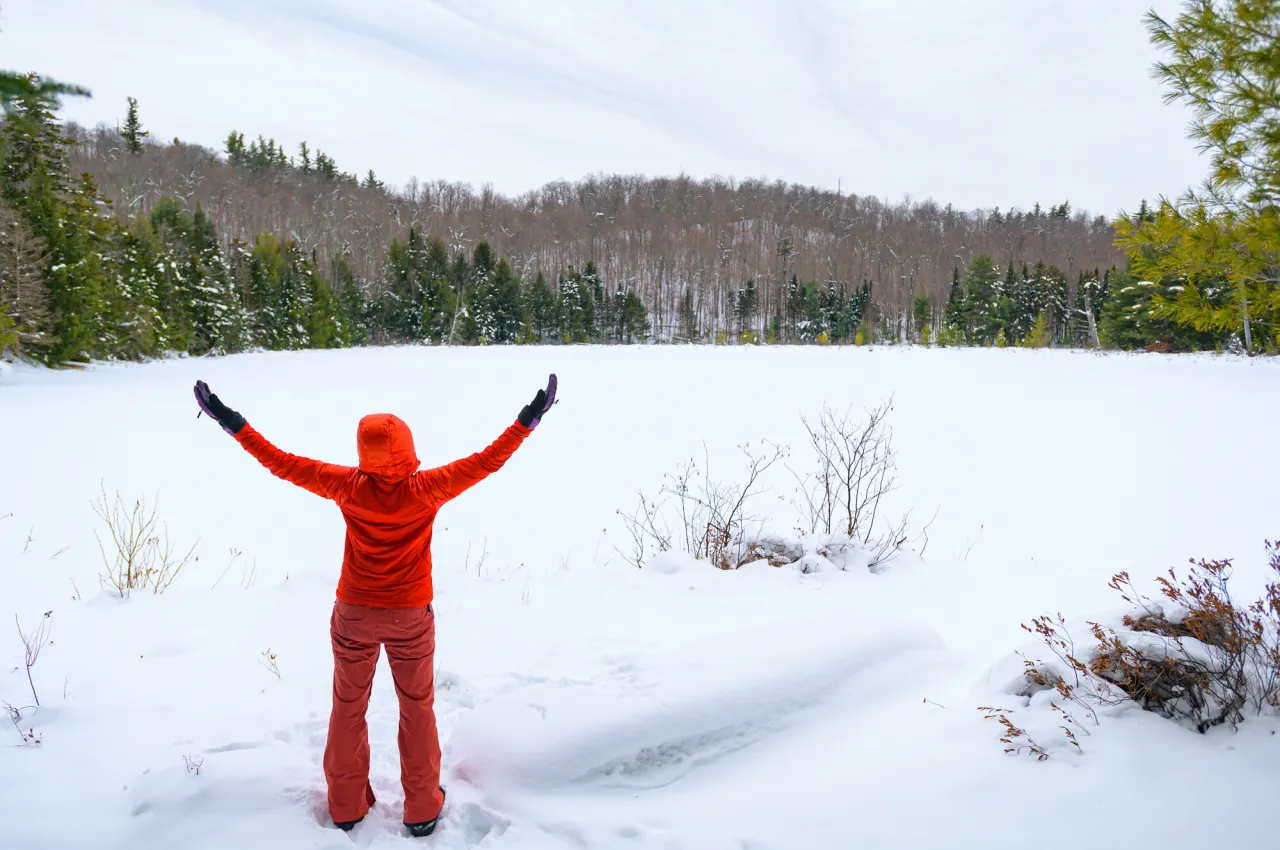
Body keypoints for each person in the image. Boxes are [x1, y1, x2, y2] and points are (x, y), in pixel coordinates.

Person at [192, 374, 557, 837]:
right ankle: (422, 807)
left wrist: (232, 421)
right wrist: (527, 420)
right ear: (406, 447)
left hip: (353, 616)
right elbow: (487, 462)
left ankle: (345, 805)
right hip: (410, 617)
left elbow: (281, 463)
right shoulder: (427, 488)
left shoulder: (347, 485)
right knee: (417, 706)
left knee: (348, 706)